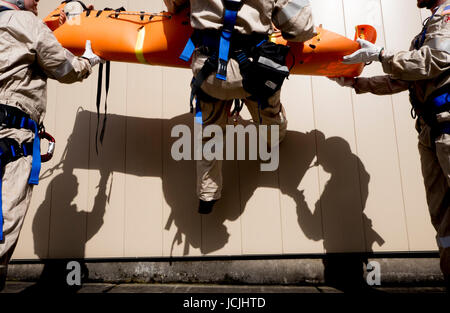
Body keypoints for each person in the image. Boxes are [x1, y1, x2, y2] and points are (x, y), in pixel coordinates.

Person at [330, 0, 450, 289]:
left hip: (447, 126)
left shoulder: (448, 17)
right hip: (431, 131)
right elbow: (403, 79)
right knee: (443, 215)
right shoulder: (428, 27)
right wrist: (357, 84)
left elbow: (436, 59)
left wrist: (381, 54)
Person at [164, 0, 317, 214]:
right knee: (268, 112)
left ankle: (207, 195)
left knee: (209, 132)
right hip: (254, 71)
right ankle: (274, 135)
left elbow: (174, 6)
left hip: (208, 72)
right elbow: (301, 28)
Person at [0, 0, 102, 291]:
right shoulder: (26, 24)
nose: (37, 3)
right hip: (11, 136)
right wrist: (90, 61)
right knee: (4, 221)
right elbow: (64, 67)